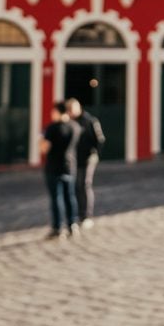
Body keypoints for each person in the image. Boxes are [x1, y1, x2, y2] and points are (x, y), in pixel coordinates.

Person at [40, 101, 81, 240]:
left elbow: (44, 148)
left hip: (53, 167)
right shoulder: (75, 126)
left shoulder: (52, 128)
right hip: (69, 166)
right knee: (70, 197)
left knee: (56, 198)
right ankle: (72, 225)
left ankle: (57, 228)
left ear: (57, 111)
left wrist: (41, 139)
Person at [66, 98, 105, 229]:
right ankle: (77, 214)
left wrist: (94, 154)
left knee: (85, 184)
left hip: (88, 158)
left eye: (72, 109)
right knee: (76, 185)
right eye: (69, 110)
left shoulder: (90, 121)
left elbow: (100, 139)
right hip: (75, 159)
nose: (71, 112)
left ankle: (87, 216)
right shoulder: (70, 122)